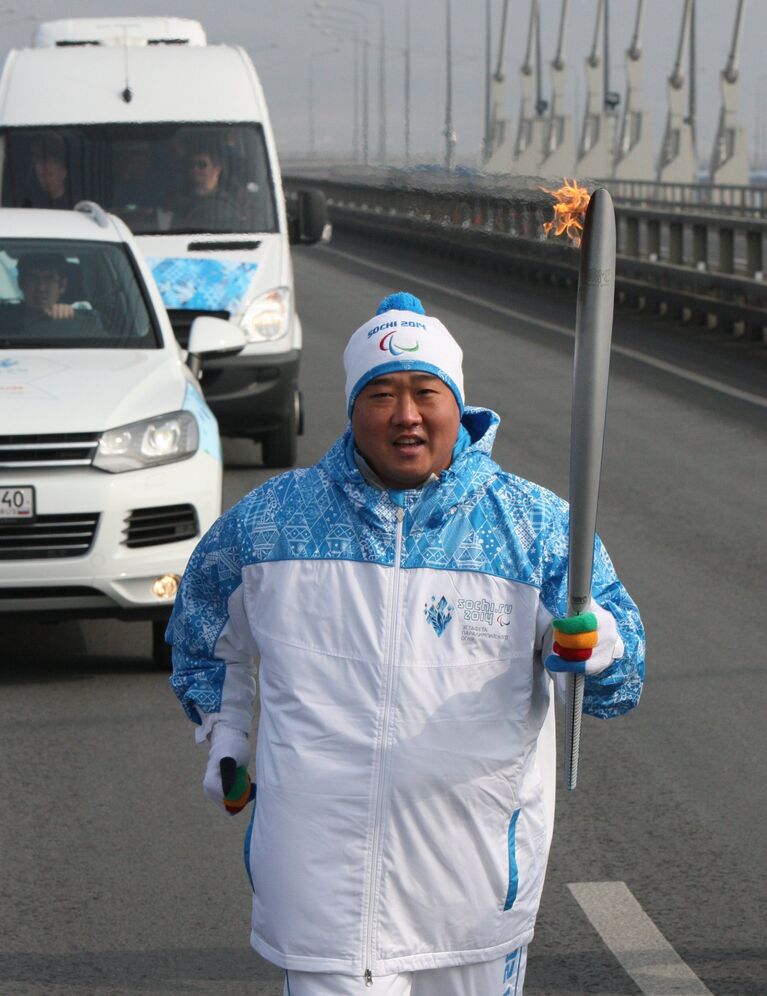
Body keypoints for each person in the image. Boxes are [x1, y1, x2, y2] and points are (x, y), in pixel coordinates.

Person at [167, 291, 645, 995]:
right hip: (316, 880)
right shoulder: (273, 521)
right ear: (353, 407)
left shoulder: (537, 528)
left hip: (471, 887)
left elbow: (619, 674)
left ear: (456, 403)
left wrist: (594, 645)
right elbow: (203, 630)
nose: (406, 415)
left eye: (425, 392)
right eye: (381, 394)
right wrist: (227, 733)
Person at [172, 144, 241, 229]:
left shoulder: (228, 203)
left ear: (217, 170)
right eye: (192, 165)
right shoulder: (179, 199)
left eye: (202, 165)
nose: (195, 169)